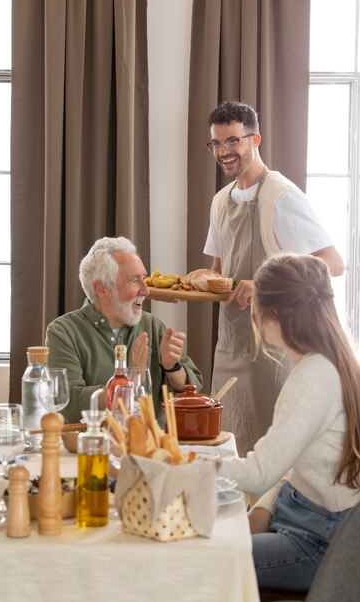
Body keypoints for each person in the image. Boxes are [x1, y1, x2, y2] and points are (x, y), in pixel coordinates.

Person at [204, 101, 344, 456]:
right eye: (217, 144)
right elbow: (219, 273)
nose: (224, 152)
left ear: (256, 139)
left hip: (277, 349)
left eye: (233, 141)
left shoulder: (282, 196)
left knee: (276, 453)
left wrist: (263, 285)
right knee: (232, 445)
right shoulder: (221, 201)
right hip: (231, 344)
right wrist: (199, 280)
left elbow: (333, 263)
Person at [219, 253, 360, 592]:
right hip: (305, 516)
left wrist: (190, 463)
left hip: (316, 540)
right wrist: (267, 506)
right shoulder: (328, 362)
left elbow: (259, 472)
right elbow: (292, 465)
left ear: (273, 314)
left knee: (207, 557)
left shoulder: (314, 378)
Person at [46, 236, 203, 425]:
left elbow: (191, 388)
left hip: (147, 448)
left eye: (143, 279)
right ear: (101, 289)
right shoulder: (63, 332)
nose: (146, 291)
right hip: (91, 448)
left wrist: (172, 367)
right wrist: (129, 381)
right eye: (134, 281)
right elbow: (67, 405)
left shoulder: (152, 325)